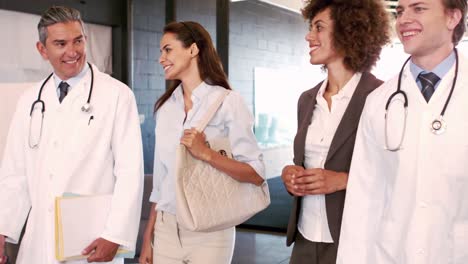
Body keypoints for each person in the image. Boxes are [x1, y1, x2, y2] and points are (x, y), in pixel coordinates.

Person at [0, 6, 144, 264]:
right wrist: (3, 229)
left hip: (91, 241)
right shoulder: (30, 100)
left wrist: (115, 235)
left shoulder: (117, 96)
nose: (72, 51)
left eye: (78, 40)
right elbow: (15, 174)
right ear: (42, 50)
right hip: (38, 243)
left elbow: (130, 173)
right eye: (60, 43)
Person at [336, 0, 468, 263]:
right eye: (400, 11)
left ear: (452, 17)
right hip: (392, 254)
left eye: (418, 9)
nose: (404, 19)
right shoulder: (379, 101)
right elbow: (363, 197)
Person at [138, 21, 265, 264]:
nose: (160, 58)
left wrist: (207, 154)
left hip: (211, 230)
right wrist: (148, 237)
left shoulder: (228, 102)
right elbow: (161, 182)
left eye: (167, 49)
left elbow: (256, 174)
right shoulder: (165, 108)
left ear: (193, 49)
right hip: (166, 229)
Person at [280, 0, 390, 263]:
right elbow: (305, 162)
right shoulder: (307, 99)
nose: (309, 36)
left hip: (354, 239)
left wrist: (342, 180)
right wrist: (290, 173)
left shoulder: (382, 97)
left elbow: (400, 174)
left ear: (349, 31)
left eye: (319, 27)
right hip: (305, 238)